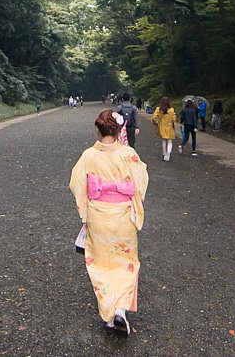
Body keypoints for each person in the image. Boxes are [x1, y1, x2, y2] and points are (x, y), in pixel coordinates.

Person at [69, 109, 149, 337]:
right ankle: (121, 309)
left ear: (98, 129)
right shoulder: (128, 154)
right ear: (119, 129)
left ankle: (108, 313)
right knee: (125, 261)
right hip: (123, 216)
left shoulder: (88, 156)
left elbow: (76, 184)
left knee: (101, 265)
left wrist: (84, 210)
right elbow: (141, 180)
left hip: (99, 217)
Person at [151, 97, 177, 161]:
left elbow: (154, 118)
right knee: (170, 141)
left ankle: (164, 153)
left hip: (162, 126)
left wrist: (157, 123)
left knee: (164, 140)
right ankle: (168, 153)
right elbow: (174, 119)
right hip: (170, 126)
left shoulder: (159, 109)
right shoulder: (171, 110)